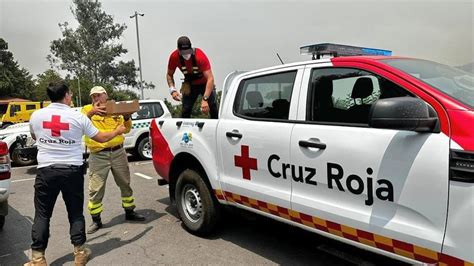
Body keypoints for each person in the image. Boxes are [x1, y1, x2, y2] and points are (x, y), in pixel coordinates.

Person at [25, 82, 126, 266]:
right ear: (66, 95)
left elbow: (35, 136)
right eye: (70, 94)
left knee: (42, 215)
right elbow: (100, 137)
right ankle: (80, 253)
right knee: (76, 213)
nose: (71, 96)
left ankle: (38, 258)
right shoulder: (77, 116)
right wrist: (117, 131)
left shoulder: (37, 115)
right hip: (72, 170)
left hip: (46, 171)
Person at [82, 86, 145, 234]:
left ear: (106, 95)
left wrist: (128, 117)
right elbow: (80, 124)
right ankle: (96, 220)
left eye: (98, 95)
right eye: (93, 96)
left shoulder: (115, 109)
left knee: (125, 183)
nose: (95, 99)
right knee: (96, 189)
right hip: (98, 155)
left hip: (118, 152)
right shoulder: (86, 109)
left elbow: (127, 128)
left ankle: (130, 211)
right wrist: (91, 113)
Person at [166, 36, 218, 118]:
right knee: (185, 109)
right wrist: (172, 90)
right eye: (183, 52)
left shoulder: (200, 56)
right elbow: (169, 75)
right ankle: (184, 128)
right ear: (178, 50)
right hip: (188, 83)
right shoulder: (174, 57)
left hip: (204, 83)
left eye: (188, 51)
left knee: (213, 107)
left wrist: (205, 99)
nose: (186, 54)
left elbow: (210, 78)